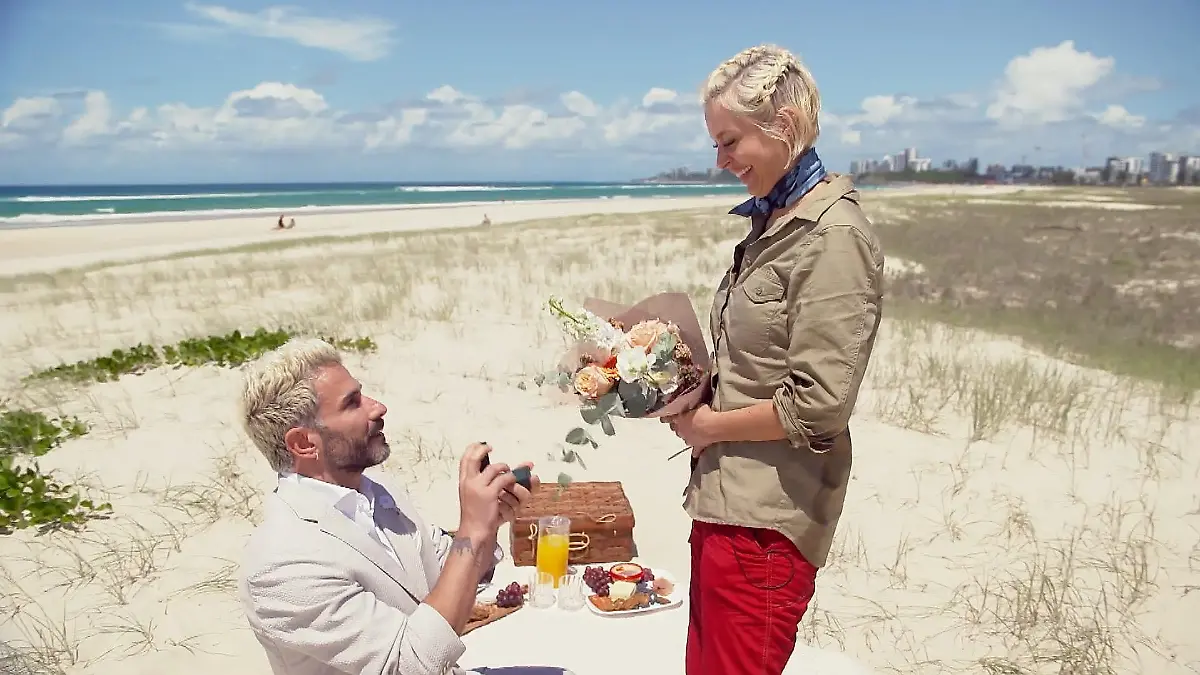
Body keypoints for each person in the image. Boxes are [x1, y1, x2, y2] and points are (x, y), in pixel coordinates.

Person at [662, 44, 885, 675]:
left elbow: (819, 406)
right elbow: (754, 365)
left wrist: (709, 426)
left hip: (766, 524)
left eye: (730, 141)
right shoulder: (774, 223)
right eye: (716, 144)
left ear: (782, 125)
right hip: (723, 504)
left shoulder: (832, 236)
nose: (721, 161)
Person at [236, 337, 539, 675]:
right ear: (304, 443)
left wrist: (488, 523)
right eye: (352, 403)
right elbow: (409, 664)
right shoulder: (281, 564)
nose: (378, 407)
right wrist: (473, 528)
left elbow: (446, 573)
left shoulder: (374, 491)